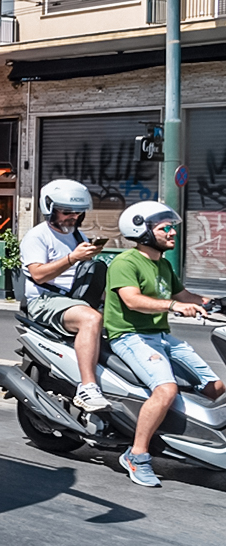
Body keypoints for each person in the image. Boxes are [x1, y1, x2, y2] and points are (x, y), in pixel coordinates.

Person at [104, 201, 225, 487]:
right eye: (165, 228)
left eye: (172, 227)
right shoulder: (125, 262)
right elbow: (132, 300)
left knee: (215, 388)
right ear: (142, 231)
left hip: (161, 336)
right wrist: (172, 306)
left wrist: (215, 303)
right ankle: (137, 454)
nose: (172, 233)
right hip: (130, 335)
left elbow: (184, 296)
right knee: (165, 389)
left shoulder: (163, 263)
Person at [20, 179, 110, 412]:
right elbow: (38, 274)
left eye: (78, 213)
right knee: (91, 319)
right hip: (44, 301)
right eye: (66, 212)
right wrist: (72, 258)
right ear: (49, 208)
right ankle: (87, 388)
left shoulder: (78, 236)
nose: (72, 217)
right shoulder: (37, 236)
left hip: (74, 299)